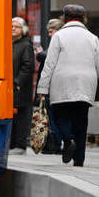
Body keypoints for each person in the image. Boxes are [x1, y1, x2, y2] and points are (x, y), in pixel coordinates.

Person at [36, 4, 99, 166]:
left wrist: (42, 89)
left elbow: (49, 64)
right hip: (86, 84)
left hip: (62, 83)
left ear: (65, 18)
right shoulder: (92, 38)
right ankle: (79, 159)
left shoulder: (59, 36)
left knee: (60, 117)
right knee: (81, 121)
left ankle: (68, 139)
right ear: (83, 19)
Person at [36, 18, 64, 153]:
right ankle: (55, 144)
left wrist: (39, 53)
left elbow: (46, 57)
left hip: (53, 87)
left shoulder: (57, 41)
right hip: (55, 85)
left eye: (51, 31)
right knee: (53, 117)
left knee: (53, 117)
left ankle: (55, 144)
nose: (49, 34)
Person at [10, 16, 34, 154]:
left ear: (23, 30)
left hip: (20, 88)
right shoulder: (9, 43)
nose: (13, 29)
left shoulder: (25, 45)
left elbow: (28, 66)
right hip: (10, 87)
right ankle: (12, 144)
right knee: (12, 116)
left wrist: (18, 82)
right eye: (11, 26)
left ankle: (20, 145)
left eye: (16, 26)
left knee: (20, 117)